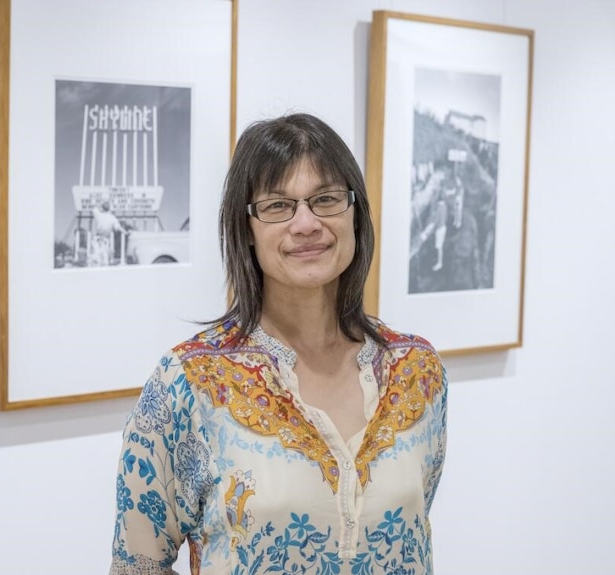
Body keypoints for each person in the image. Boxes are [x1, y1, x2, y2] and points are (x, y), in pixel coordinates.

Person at [109, 113, 448, 574]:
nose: (306, 223)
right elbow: (137, 565)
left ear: (355, 214)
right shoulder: (189, 383)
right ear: (246, 230)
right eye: (277, 206)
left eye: (326, 199)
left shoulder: (416, 370)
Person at [91, 200, 124, 266]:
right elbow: (118, 227)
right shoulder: (112, 217)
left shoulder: (98, 214)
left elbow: (95, 208)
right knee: (104, 259)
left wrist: (100, 204)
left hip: (98, 239)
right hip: (104, 240)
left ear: (102, 208)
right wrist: (125, 232)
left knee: (97, 259)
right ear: (109, 208)